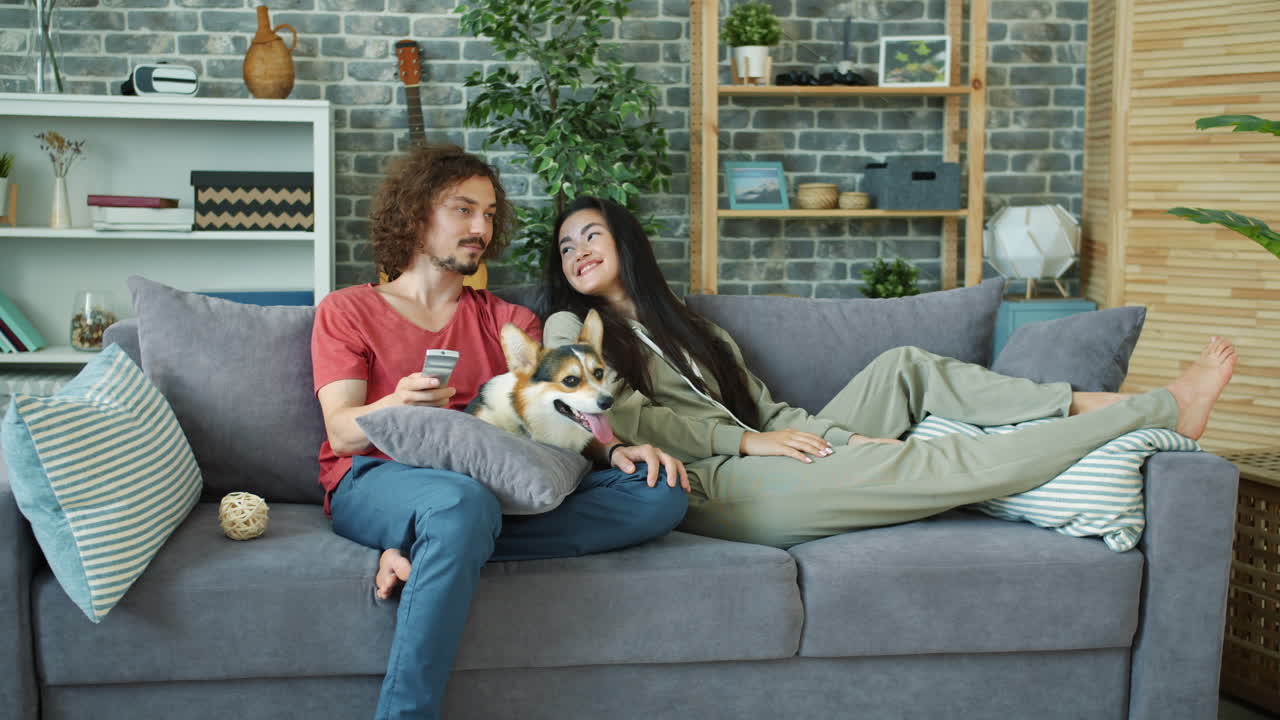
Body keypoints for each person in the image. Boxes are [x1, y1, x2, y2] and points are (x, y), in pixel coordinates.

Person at [542, 195, 1237, 550]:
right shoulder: (576, 332)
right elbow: (621, 417)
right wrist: (745, 445)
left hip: (771, 450)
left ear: (625, 240)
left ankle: (1076, 403)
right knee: (932, 463)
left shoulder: (693, 327)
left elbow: (769, 414)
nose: (577, 252)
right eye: (566, 246)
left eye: (590, 235)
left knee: (905, 367)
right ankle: (1160, 409)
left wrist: (838, 443)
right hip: (714, 488)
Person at [311, 147, 689, 720]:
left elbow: (553, 413)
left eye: (489, 214)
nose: (481, 228)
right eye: (464, 210)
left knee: (659, 493)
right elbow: (342, 433)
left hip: (494, 484)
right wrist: (397, 404)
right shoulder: (348, 310)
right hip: (376, 479)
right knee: (459, 503)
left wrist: (613, 448)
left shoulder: (508, 321)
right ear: (416, 215)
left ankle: (436, 548)